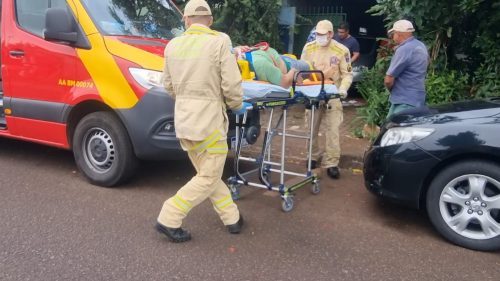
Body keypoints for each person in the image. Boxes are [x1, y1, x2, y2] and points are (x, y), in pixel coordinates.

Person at [156, 0, 246, 243]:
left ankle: (232, 218)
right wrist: (236, 104)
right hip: (210, 123)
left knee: (209, 174)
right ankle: (169, 216)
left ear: (185, 20)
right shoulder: (218, 42)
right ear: (210, 20)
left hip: (184, 122)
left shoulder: (172, 45)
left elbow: (168, 85)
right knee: (208, 177)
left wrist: (187, 100)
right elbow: (231, 83)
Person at [301, 19, 353, 179]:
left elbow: (347, 74)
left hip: (333, 93)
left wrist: (343, 89)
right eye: (318, 34)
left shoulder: (341, 50)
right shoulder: (309, 48)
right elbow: (301, 70)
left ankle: (331, 163)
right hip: (313, 93)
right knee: (311, 128)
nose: (320, 37)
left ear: (331, 34)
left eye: (323, 34)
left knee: (333, 130)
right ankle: (312, 157)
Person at [384, 19, 429, 118]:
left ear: (399, 34)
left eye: (393, 34)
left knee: (393, 131)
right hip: (417, 98)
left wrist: (391, 90)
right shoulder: (420, 46)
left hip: (404, 100)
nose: (393, 37)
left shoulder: (404, 49)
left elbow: (388, 80)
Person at [234, 44, 310, 88]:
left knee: (309, 68)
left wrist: (293, 72)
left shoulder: (261, 65)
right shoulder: (233, 54)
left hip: (287, 65)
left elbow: (285, 83)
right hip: (271, 58)